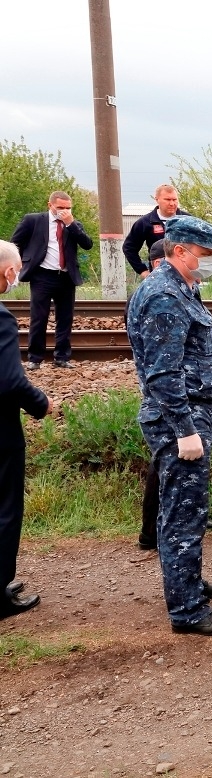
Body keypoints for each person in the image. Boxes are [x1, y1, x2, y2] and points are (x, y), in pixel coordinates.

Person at [126, 216, 212, 636]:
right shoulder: (163, 296)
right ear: (180, 251)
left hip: (194, 413)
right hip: (181, 418)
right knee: (182, 514)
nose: (211, 261)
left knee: (187, 509)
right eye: (206, 253)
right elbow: (162, 373)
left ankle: (189, 583)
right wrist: (184, 430)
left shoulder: (182, 288)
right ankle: (188, 610)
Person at [0, 240, 51, 619]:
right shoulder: (1, 317)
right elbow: (11, 382)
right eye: (16, 269)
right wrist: (41, 403)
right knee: (4, 510)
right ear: (7, 272)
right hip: (0, 436)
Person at [11, 191, 94, 370]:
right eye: (60, 208)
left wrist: (70, 223)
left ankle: (62, 357)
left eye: (68, 208)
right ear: (50, 205)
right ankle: (35, 358)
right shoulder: (33, 220)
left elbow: (87, 244)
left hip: (66, 276)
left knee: (65, 318)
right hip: (42, 275)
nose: (64, 211)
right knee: (39, 317)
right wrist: (22, 262)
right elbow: (15, 243)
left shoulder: (73, 224)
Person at [135, 241, 169, 553]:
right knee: (163, 466)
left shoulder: (160, 290)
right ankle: (150, 532)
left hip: (163, 400)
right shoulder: (157, 294)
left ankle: (155, 528)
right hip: (165, 403)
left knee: (163, 467)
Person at [123, 184, 189, 279]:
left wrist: (197, 272)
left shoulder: (188, 220)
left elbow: (200, 246)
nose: (172, 203)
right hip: (159, 276)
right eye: (167, 199)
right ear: (157, 199)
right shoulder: (145, 223)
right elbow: (129, 248)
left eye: (174, 200)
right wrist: (143, 271)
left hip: (185, 274)